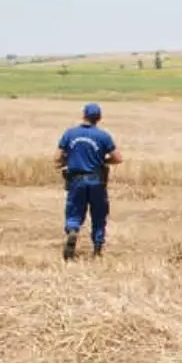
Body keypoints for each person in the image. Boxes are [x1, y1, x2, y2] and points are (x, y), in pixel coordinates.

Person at [55, 102, 122, 260]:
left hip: (76, 180)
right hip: (96, 180)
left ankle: (72, 230)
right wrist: (103, 161)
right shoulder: (103, 136)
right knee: (98, 214)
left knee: (74, 211)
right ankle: (97, 249)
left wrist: (69, 161)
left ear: (83, 115)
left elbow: (57, 159)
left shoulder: (70, 134)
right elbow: (118, 158)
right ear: (98, 118)